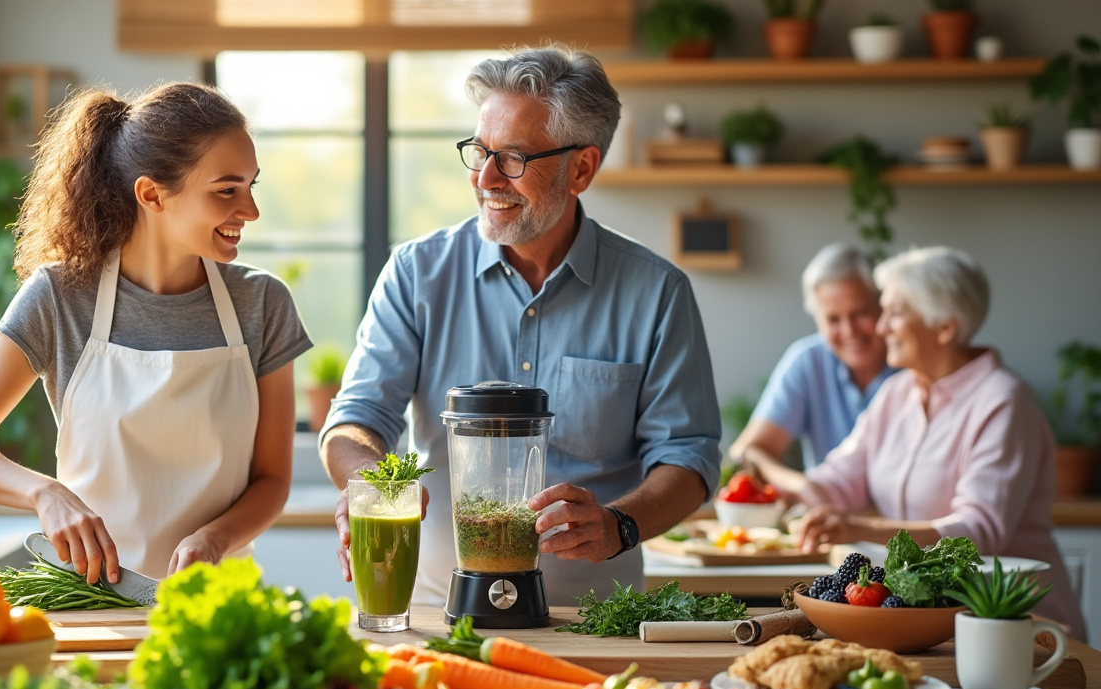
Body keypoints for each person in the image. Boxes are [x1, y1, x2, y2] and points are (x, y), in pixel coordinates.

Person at [319, 45, 721, 606]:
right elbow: (355, 421)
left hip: (597, 620)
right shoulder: (415, 273)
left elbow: (689, 456)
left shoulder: (657, 292)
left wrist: (618, 524)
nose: (485, 177)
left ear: (581, 168)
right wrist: (371, 481)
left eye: (513, 157)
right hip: (437, 615)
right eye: (479, 151)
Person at [0, 83, 312, 582]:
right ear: (152, 194)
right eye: (226, 190)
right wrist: (45, 493)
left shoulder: (263, 303)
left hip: (217, 603)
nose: (250, 210)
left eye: (250, 186)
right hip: (92, 601)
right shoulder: (59, 297)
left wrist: (214, 538)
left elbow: (272, 479)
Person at [789, 246, 1086, 638]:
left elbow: (977, 532)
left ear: (944, 327)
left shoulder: (1003, 402)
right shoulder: (897, 393)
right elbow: (841, 478)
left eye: (895, 313)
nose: (880, 328)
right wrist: (773, 495)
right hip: (932, 620)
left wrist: (858, 527)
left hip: (1018, 627)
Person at [730, 243, 896, 482]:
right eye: (833, 319)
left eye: (860, 313)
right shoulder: (808, 361)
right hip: (826, 513)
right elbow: (747, 451)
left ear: (883, 306)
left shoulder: (912, 362)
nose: (849, 331)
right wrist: (802, 487)